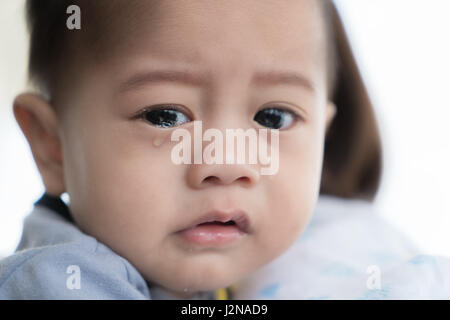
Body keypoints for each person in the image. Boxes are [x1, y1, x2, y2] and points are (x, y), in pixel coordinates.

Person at [0, 0, 410, 299]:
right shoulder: (59, 281)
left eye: (273, 118)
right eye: (165, 116)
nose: (228, 163)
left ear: (322, 135)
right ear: (52, 145)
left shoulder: (348, 253)